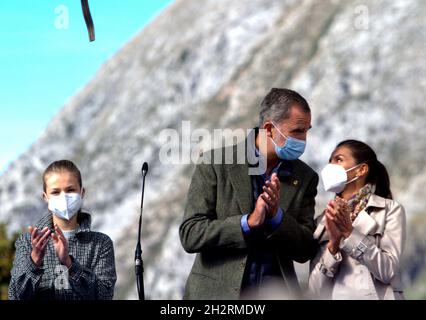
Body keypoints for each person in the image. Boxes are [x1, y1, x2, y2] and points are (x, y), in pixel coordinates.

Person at [179, 88, 318, 299]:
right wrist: (247, 223)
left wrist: (277, 218)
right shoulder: (215, 164)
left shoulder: (306, 177)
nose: (304, 139)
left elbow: (305, 249)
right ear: (270, 128)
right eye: (297, 131)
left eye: (307, 130)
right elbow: (190, 234)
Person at [309, 140, 406, 299]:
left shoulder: (389, 210)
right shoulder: (322, 221)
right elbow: (314, 291)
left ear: (361, 170)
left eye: (338, 159)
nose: (330, 166)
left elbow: (388, 272)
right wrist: (333, 245)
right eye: (330, 161)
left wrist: (350, 232)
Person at [9, 160, 117, 300]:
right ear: (45, 197)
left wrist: (69, 264)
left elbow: (105, 295)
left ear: (82, 192)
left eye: (70, 190)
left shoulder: (100, 244)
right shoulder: (27, 243)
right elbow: (15, 296)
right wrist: (34, 260)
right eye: (55, 192)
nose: (63, 197)